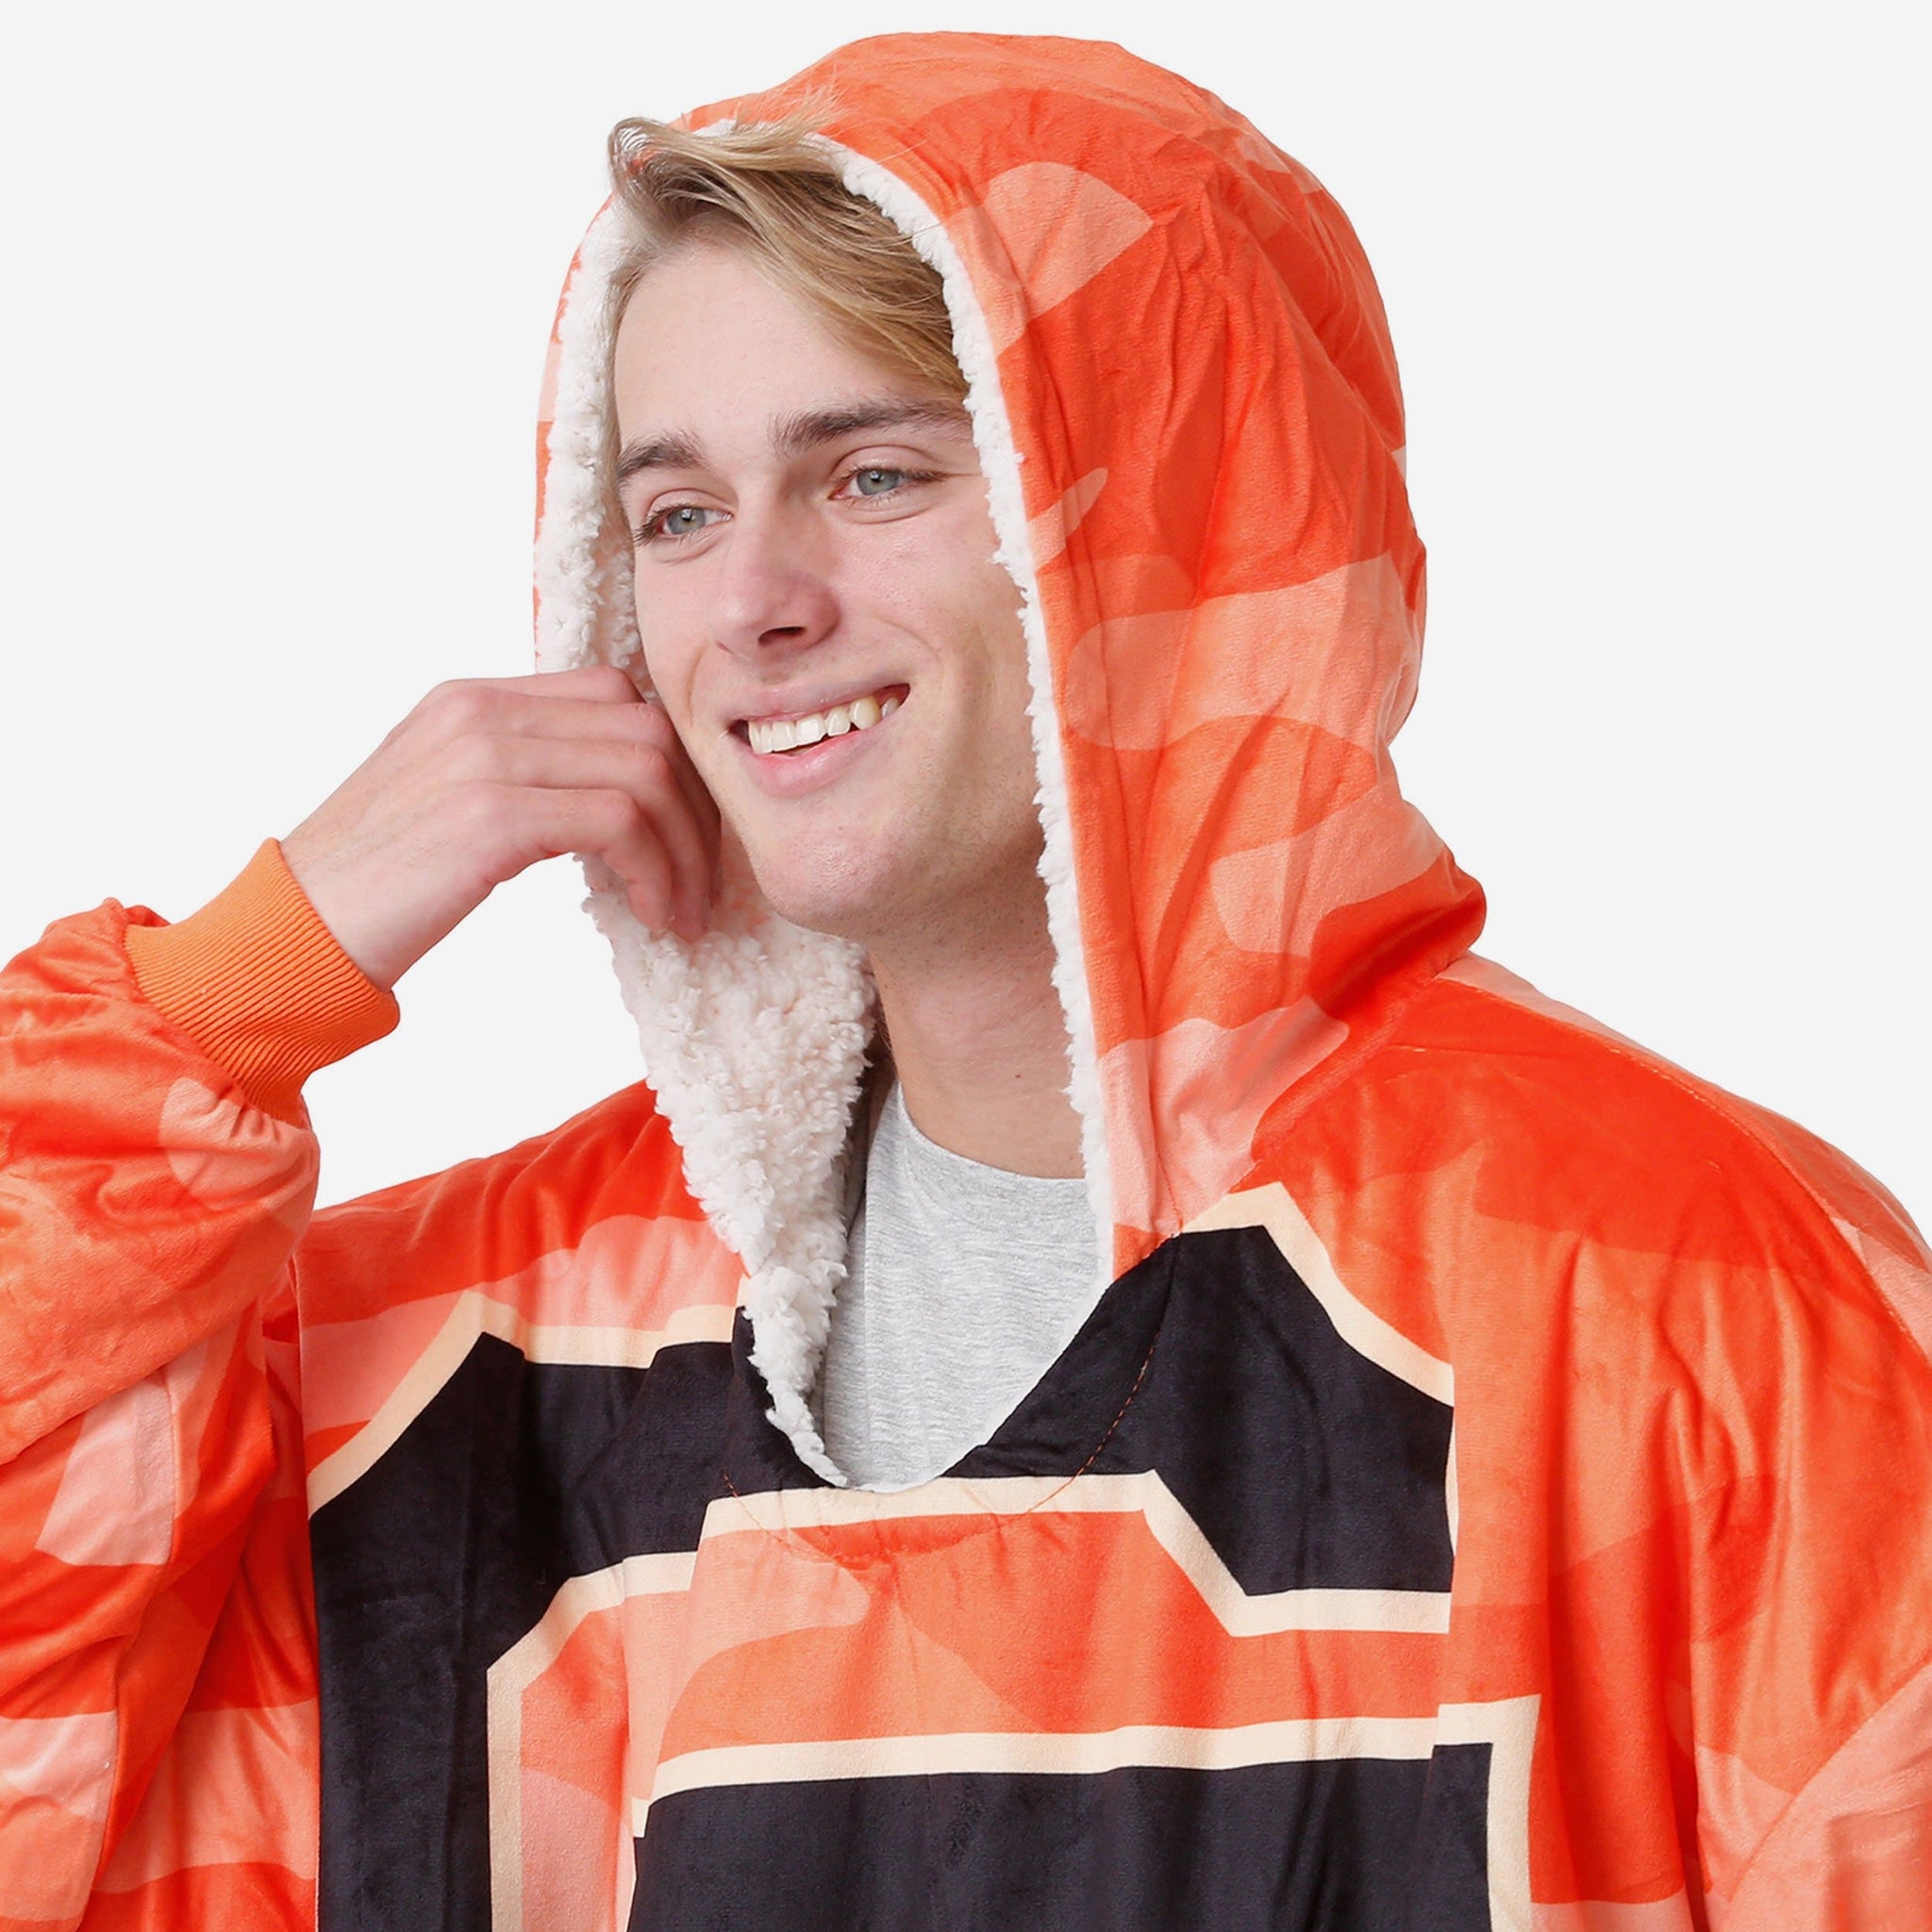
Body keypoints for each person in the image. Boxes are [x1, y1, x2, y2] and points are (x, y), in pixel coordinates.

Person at [1, 28, 1927, 1931]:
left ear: (1174, 522)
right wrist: (243, 985)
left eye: (875, 475)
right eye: (677, 515)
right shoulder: (452, 1361)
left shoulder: (1688, 1295)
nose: (752, 604)